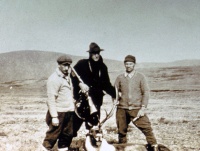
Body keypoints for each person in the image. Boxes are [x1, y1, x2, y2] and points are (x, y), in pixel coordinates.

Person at [114, 55, 158, 151]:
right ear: (124, 65)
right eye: (126, 64)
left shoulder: (140, 77)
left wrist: (143, 108)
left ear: (134, 64)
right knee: (121, 132)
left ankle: (154, 147)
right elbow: (115, 92)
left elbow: (146, 92)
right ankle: (122, 148)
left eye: (130, 64)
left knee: (147, 129)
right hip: (122, 109)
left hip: (136, 109)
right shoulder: (120, 78)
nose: (128, 66)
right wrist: (115, 100)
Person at [71, 42, 116, 130]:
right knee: (73, 126)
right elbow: (72, 75)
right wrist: (80, 84)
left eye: (97, 53)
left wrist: (115, 94)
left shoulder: (103, 67)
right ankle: (64, 143)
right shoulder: (82, 64)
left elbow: (106, 84)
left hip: (96, 101)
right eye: (94, 53)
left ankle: (91, 143)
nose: (96, 55)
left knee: (94, 127)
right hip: (82, 100)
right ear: (90, 54)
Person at [42, 55, 75, 151]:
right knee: (51, 137)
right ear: (59, 65)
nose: (66, 68)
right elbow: (51, 99)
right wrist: (54, 117)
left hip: (68, 111)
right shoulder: (54, 79)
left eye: (68, 65)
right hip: (59, 113)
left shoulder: (67, 78)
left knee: (66, 137)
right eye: (64, 65)